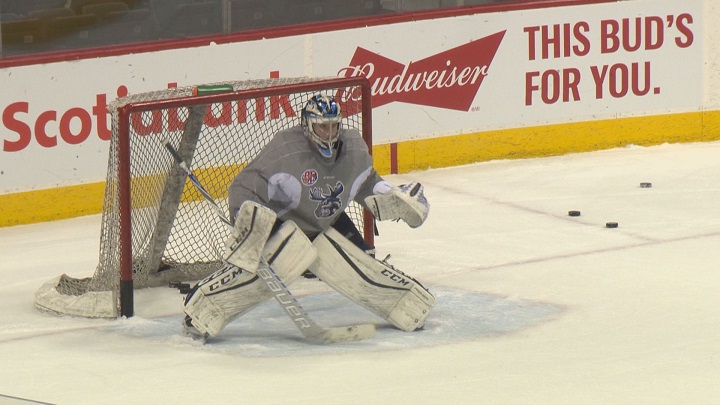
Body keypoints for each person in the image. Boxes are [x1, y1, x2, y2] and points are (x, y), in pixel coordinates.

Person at [182, 94, 435, 341]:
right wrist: (249, 221)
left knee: (364, 264)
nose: (330, 133)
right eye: (323, 127)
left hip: (326, 221)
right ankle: (200, 308)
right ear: (307, 126)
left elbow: (365, 181)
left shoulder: (354, 148)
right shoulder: (286, 150)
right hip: (285, 223)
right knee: (279, 262)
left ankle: (406, 304)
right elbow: (243, 187)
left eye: (334, 126)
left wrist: (391, 194)